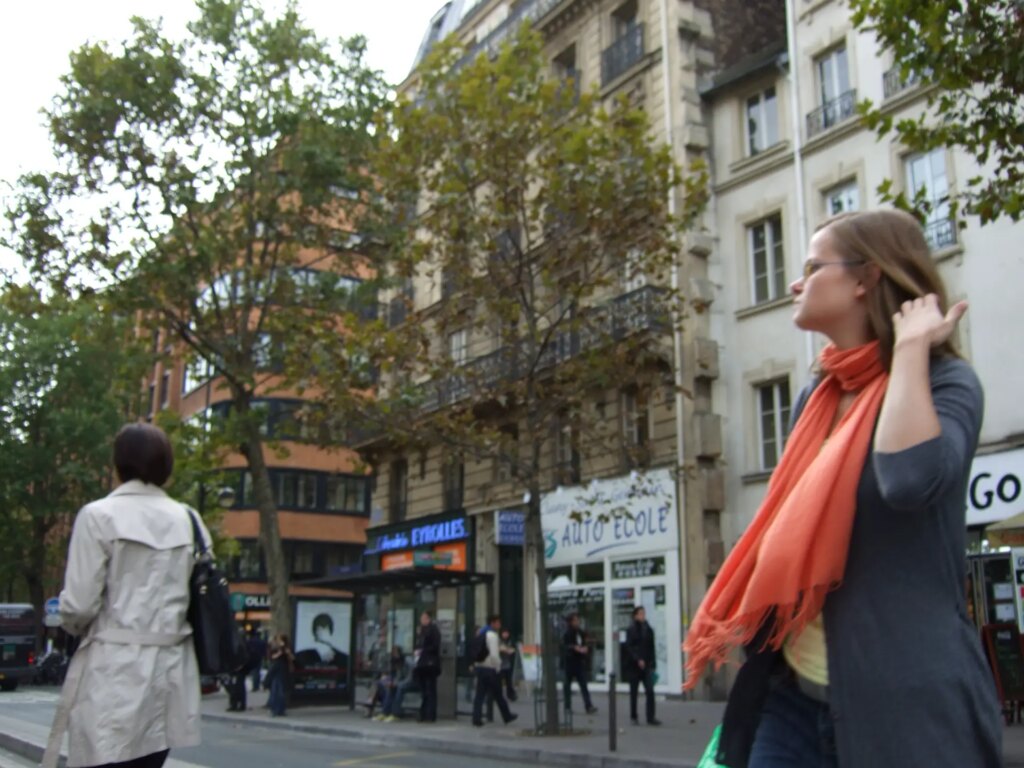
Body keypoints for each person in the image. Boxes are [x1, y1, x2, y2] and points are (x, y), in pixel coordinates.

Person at [683, 209, 1001, 768]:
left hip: (902, 708)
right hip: (790, 698)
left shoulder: (947, 383)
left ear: (865, 278)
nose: (794, 282)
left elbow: (908, 480)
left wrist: (907, 351)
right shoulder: (817, 398)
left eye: (811, 265)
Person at [43, 423, 204, 768]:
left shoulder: (98, 516)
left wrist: (72, 623)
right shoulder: (190, 520)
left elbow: (78, 607)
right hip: (171, 674)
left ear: (118, 465)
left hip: (112, 670)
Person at [471, 615, 518, 727]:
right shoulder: (492, 635)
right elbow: (494, 654)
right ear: (493, 623)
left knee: (480, 694)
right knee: (498, 694)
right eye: (498, 623)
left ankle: (476, 718)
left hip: (480, 667)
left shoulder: (480, 633)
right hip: (490, 668)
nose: (499, 625)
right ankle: (507, 716)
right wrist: (498, 666)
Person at [625, 607, 659, 726]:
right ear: (635, 616)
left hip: (646, 665)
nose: (642, 616)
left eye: (643, 613)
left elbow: (651, 647)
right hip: (634, 666)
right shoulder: (631, 629)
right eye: (640, 614)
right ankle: (633, 716)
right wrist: (637, 659)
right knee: (634, 692)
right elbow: (629, 647)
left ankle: (651, 717)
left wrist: (653, 662)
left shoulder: (648, 629)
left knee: (650, 691)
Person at [562, 613, 597, 714]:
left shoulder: (580, 632)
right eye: (575, 620)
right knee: (567, 686)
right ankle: (567, 707)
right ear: (571, 622)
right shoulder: (567, 633)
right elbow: (565, 646)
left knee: (583, 684)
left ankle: (588, 705)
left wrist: (586, 648)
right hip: (569, 662)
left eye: (578, 620)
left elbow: (586, 642)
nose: (577, 622)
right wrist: (574, 648)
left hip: (579, 662)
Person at [413, 611, 441, 722]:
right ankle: (425, 713)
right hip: (423, 663)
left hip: (429, 663)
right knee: (425, 690)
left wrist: (422, 650)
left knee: (430, 689)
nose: (422, 620)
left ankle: (429, 714)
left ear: (428, 619)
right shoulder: (422, 631)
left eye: (423, 618)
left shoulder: (433, 630)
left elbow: (434, 646)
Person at [373, 645, 410, 721]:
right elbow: (395, 677)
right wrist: (390, 682)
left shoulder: (408, 662)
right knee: (386, 686)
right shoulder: (395, 662)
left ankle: (396, 713)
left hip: (410, 683)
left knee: (399, 688)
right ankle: (385, 712)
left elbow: (409, 678)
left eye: (395, 653)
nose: (394, 655)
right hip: (400, 683)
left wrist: (396, 684)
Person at [267, 634, 294, 717]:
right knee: (275, 690)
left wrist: (287, 653)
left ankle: (280, 709)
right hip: (276, 671)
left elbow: (292, 658)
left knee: (281, 691)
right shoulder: (274, 648)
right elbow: (272, 657)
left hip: (283, 671)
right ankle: (274, 709)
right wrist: (280, 652)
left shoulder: (286, 649)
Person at [498, 628, 518, 702]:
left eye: (507, 633)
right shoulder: (499, 640)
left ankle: (511, 695)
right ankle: (498, 695)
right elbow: (500, 649)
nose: (506, 635)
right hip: (499, 664)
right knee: (499, 681)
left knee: (509, 681)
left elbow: (512, 650)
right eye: (504, 633)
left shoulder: (510, 641)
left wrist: (507, 650)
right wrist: (506, 650)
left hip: (507, 664)